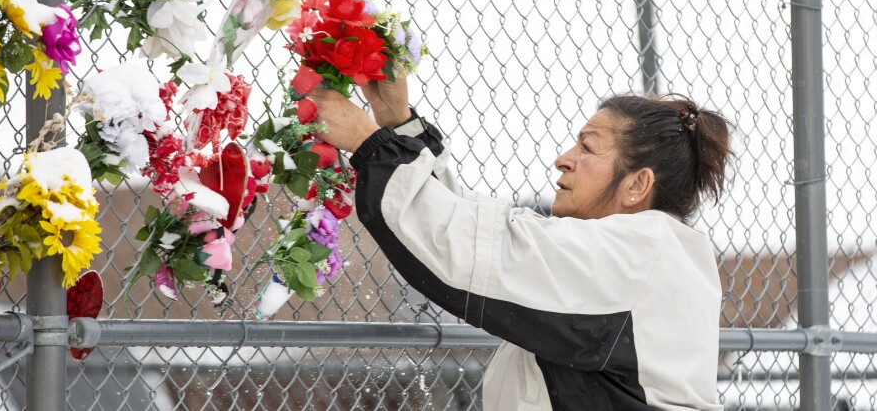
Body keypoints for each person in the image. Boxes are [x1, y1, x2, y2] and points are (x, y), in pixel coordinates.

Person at [309, 78, 733, 411]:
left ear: (638, 184)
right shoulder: (654, 251)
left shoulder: (632, 255)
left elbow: (471, 252)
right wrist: (399, 125)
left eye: (588, 146)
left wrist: (370, 144)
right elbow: (480, 239)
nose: (564, 158)